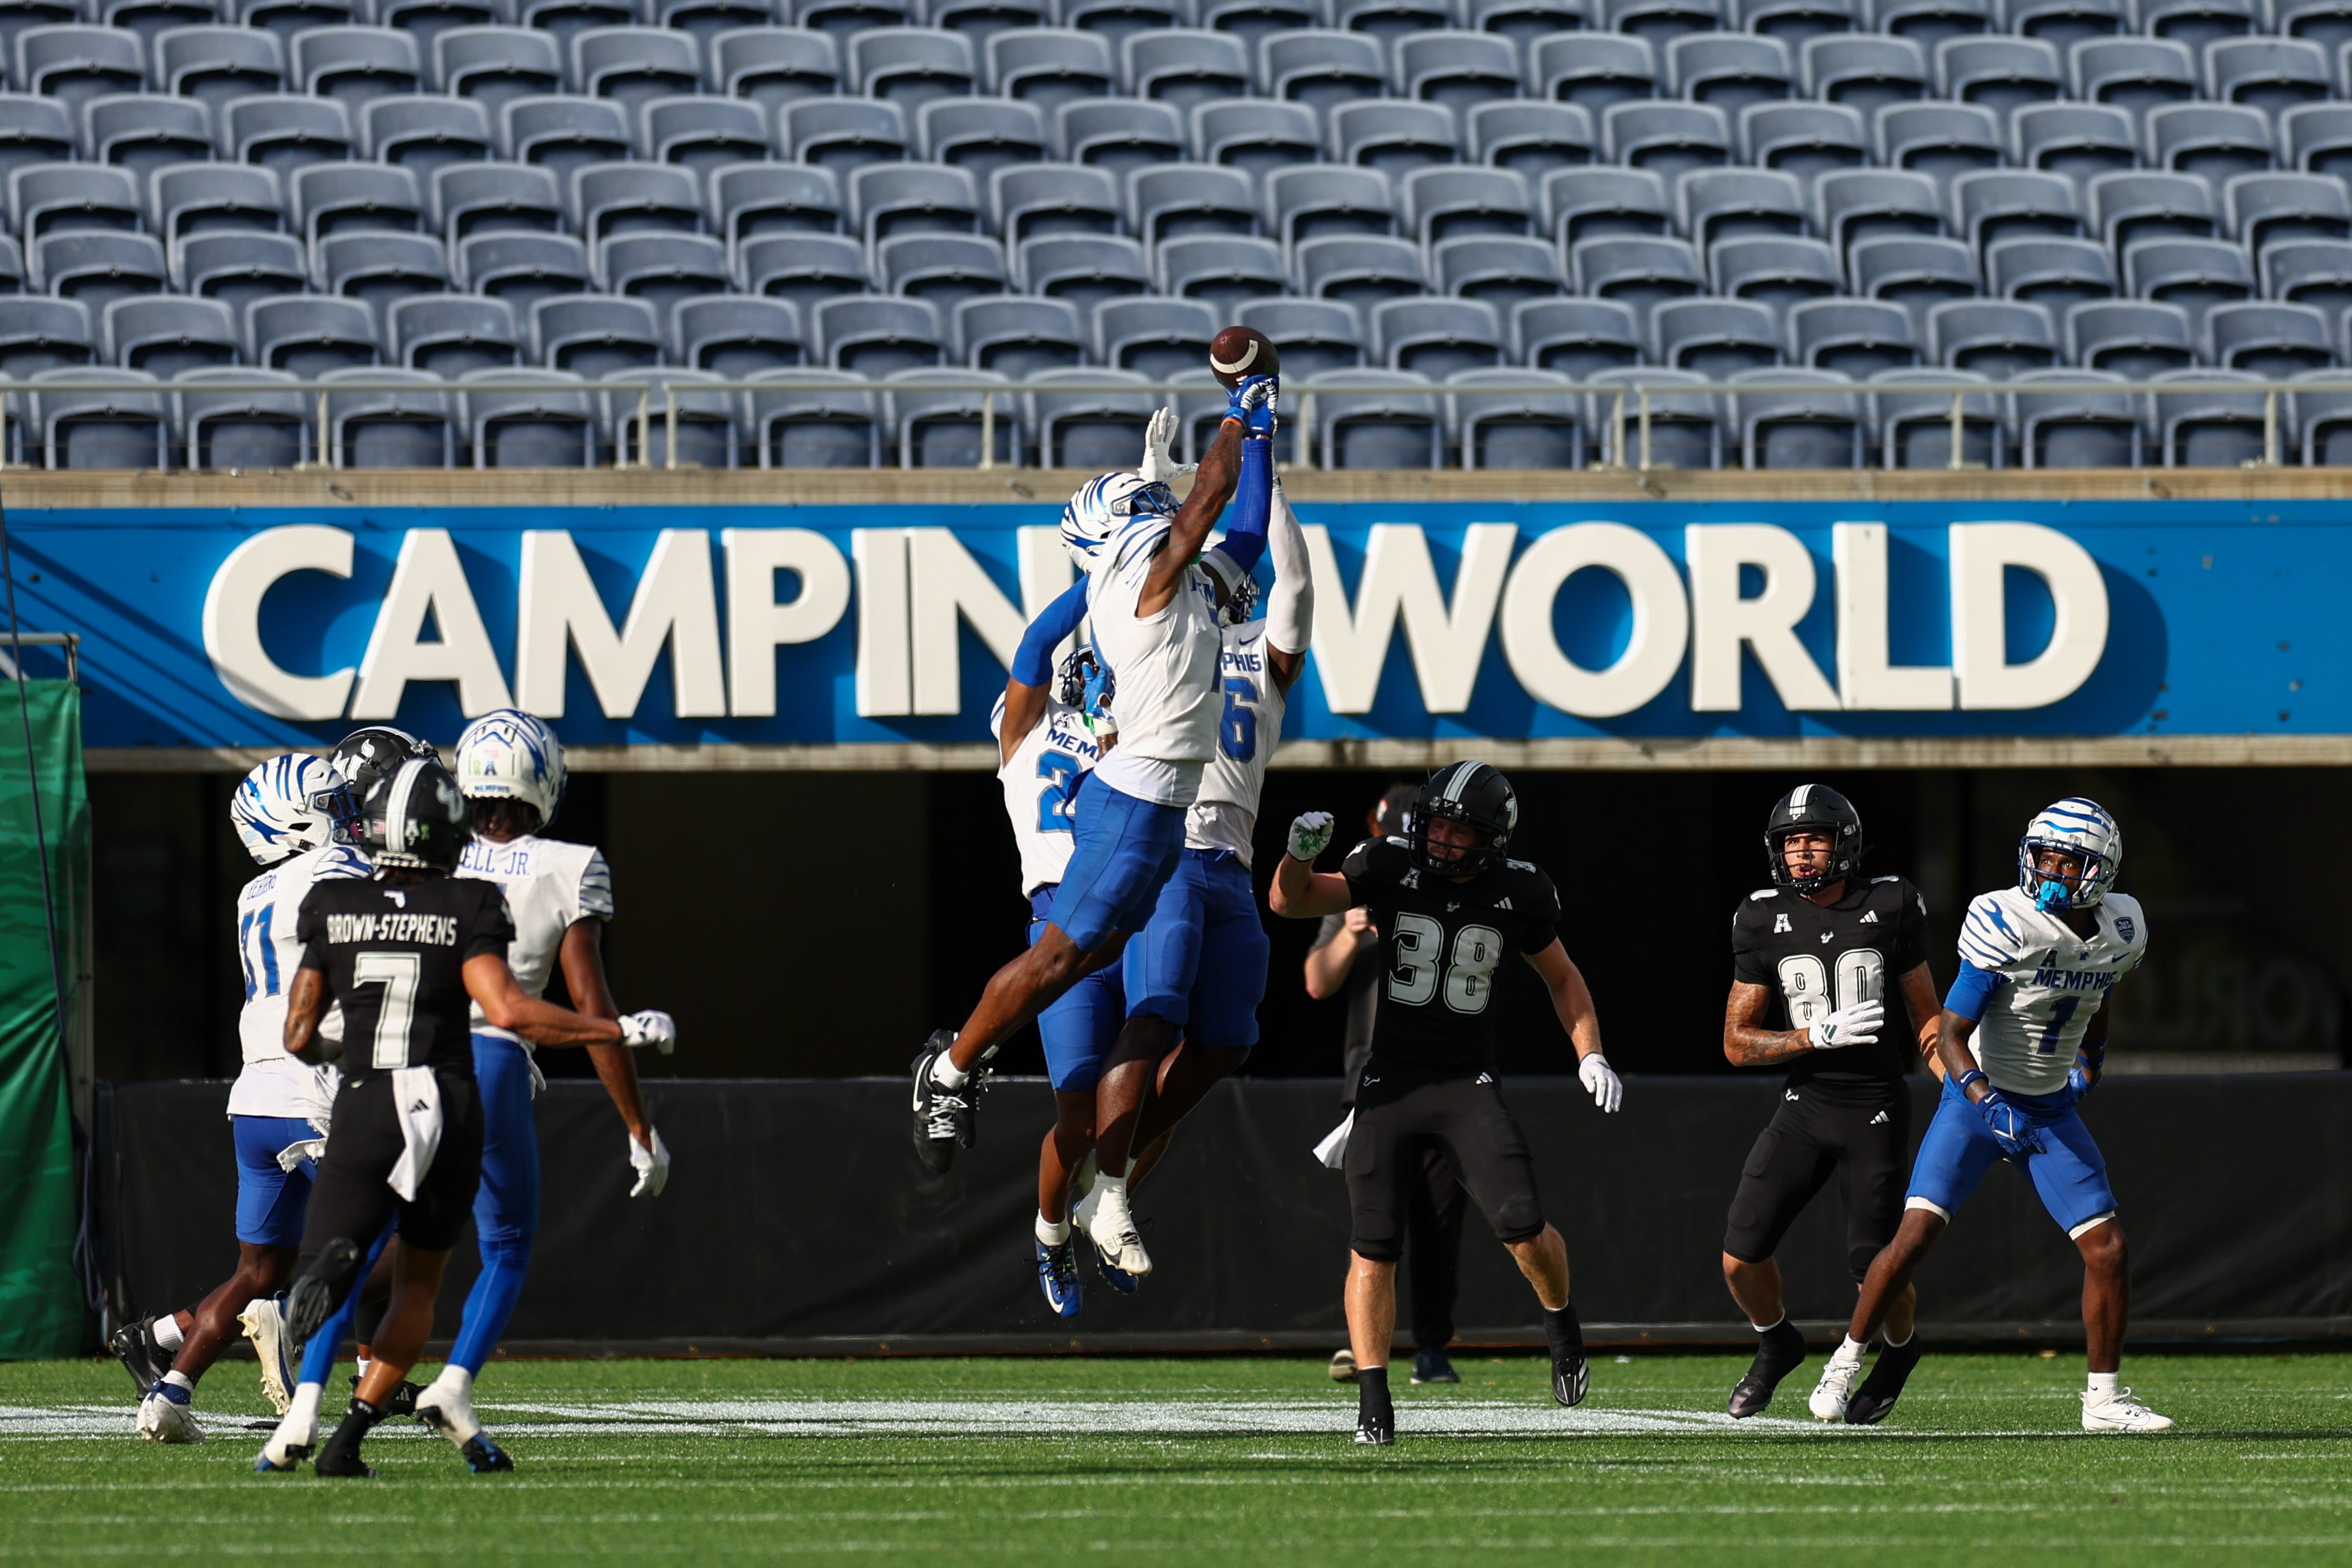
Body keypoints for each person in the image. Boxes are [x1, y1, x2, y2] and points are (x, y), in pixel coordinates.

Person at [910, 372, 1281, 1210]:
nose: (1160, 512)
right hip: (1126, 812)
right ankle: (951, 1067)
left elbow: (1246, 533)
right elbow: (1204, 504)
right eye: (1144, 507)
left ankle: (1085, 1174)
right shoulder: (1133, 585)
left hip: (1157, 814)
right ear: (1113, 540)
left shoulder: (1172, 583)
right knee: (1061, 963)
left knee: (1100, 968)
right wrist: (1237, 407)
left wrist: (1261, 433)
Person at [257, 758, 675, 1478]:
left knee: (352, 1252)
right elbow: (509, 1009)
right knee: (433, 1276)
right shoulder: (469, 902)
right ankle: (394, 1409)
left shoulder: (332, 899)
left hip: (364, 1094)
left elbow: (299, 1034)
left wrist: (347, 1047)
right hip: (445, 1094)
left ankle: (301, 1415)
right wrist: (620, 1030)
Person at [1270, 761, 1624, 1446]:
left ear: (1493, 838)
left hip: (1467, 1082)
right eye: (1436, 824)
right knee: (1373, 1244)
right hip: (1389, 1082)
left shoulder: (1519, 889)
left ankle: (1561, 1323)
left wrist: (1590, 1052)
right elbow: (1291, 902)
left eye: (1461, 831)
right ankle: (1373, 1399)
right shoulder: (1387, 863)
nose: (1442, 839)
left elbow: (1563, 978)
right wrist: (1296, 857)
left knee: (1523, 1228)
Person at [1807, 798, 2173, 1434]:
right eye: (2043, 855)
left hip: (2048, 1108)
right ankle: (1844, 1361)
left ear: (2100, 868)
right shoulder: (2005, 919)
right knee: (1913, 1238)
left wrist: (2092, 1059)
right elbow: (1950, 1034)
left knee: (2108, 1249)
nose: (2049, 869)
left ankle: (2102, 1400)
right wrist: (1984, 1100)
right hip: (1977, 1101)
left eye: (2067, 860)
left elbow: (2100, 989)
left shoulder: (2123, 926)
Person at [1062, 458, 1313, 1284]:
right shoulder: (1165, 627)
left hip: (1232, 865)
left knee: (1229, 1040)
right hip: (1171, 845)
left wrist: (1273, 486)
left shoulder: (1262, 658)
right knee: (1156, 1011)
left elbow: (1295, 588)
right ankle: (1109, 1188)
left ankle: (1109, 1172)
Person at [404, 708, 674, 1463]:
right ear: (544, 780)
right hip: (490, 1058)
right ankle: (454, 1382)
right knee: (505, 1247)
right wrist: (638, 1127)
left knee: (378, 1238)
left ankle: (315, 1393)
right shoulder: (568, 864)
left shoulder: (428, 852)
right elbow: (592, 1007)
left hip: (400, 1061)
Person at [120, 755, 369, 1442]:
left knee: (257, 1270)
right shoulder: (335, 870)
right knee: (388, 1243)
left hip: (256, 1092)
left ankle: (170, 1393)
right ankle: (301, 1327)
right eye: (334, 804)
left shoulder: (254, 892)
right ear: (296, 820)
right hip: (315, 1083)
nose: (349, 816)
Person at [1718, 785, 1944, 1423]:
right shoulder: (1759, 916)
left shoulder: (1890, 903)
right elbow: (1735, 1043)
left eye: (1813, 838)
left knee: (1873, 1271)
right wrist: (1808, 1036)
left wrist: (1963, 1089)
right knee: (1739, 1259)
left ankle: (1899, 1348)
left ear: (1843, 843)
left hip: (1874, 1104)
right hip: (1805, 1102)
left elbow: (1926, 1018)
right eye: (1790, 841)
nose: (1800, 852)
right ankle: (1776, 1341)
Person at [1306, 784, 1467, 1389]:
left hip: (1445, 1072)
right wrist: (1351, 931)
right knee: (1375, 1219)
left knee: (1440, 1220)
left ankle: (1432, 1344)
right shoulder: (1364, 883)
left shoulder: (1455, 890)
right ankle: (1364, 1342)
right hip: (1374, 1078)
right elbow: (1316, 982)